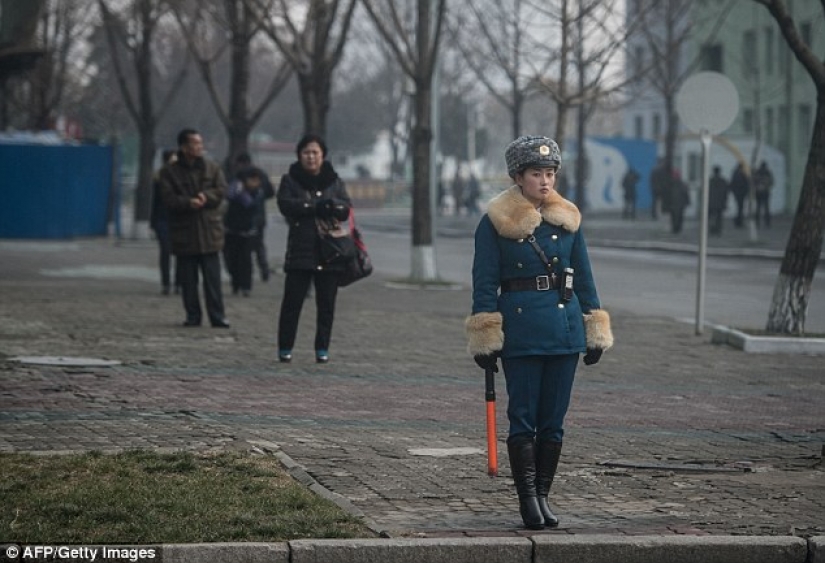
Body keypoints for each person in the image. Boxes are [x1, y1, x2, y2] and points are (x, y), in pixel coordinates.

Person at [464, 135, 613, 530]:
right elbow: (484, 282)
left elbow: (583, 275)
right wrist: (485, 334)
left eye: (550, 173)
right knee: (524, 418)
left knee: (554, 421)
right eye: (536, 174)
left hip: (564, 330)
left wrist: (594, 326)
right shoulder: (495, 222)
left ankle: (544, 494)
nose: (545, 182)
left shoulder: (568, 218)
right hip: (523, 331)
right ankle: (527, 498)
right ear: (518, 177)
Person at [276, 133, 352, 364]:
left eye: (315, 153)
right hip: (301, 251)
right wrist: (315, 206)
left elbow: (345, 207)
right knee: (292, 303)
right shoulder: (290, 180)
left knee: (326, 305)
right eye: (306, 153)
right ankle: (285, 347)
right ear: (299, 156)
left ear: (323, 156)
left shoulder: (334, 180)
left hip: (330, 252)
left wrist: (332, 206)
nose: (311, 157)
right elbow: (286, 205)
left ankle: (322, 348)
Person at [159, 128, 230, 328]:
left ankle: (218, 315)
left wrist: (205, 197)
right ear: (183, 147)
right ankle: (193, 315)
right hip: (185, 232)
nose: (199, 147)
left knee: (213, 280)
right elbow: (168, 199)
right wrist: (188, 202)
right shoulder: (169, 172)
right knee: (188, 281)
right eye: (194, 144)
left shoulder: (212, 167)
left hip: (209, 232)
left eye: (200, 143)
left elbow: (221, 190)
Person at [223, 167, 266, 297]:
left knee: (246, 260)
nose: (254, 183)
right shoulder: (235, 191)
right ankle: (235, 283)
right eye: (251, 180)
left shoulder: (258, 194)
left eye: (256, 180)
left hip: (249, 232)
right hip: (232, 230)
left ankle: (246, 286)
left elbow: (256, 210)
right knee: (232, 259)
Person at [233, 152, 275, 282]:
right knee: (259, 245)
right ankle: (264, 269)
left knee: (243, 248)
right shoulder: (261, 173)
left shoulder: (240, 175)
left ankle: (246, 276)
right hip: (260, 215)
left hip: (244, 217)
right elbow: (270, 192)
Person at [150, 149, 180, 295]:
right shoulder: (159, 178)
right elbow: (155, 202)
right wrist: (152, 222)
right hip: (163, 219)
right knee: (166, 251)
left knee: (181, 253)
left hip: (179, 220)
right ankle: (166, 283)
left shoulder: (183, 177)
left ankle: (179, 283)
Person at [708, 166, 729, 236]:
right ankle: (718, 230)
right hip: (720, 203)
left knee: (712, 217)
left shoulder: (710, 181)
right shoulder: (723, 181)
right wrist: (725, 202)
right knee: (719, 218)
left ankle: (712, 230)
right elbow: (726, 193)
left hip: (711, 203)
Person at [753, 160, 773, 228]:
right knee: (766, 208)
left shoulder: (757, 172)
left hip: (758, 192)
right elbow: (772, 182)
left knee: (758, 208)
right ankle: (767, 223)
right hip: (765, 192)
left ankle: (757, 222)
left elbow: (753, 182)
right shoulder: (768, 173)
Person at [668, 170, 690, 234]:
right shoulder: (673, 184)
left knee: (677, 216)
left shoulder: (673, 184)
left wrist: (687, 202)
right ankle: (676, 228)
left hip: (677, 203)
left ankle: (676, 228)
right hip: (677, 203)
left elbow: (685, 193)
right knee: (676, 216)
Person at [729, 163, 750, 228]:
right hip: (741, 193)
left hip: (737, 193)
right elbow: (746, 184)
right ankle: (739, 222)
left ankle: (738, 221)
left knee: (739, 208)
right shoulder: (742, 174)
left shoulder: (735, 174)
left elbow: (732, 184)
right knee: (740, 208)